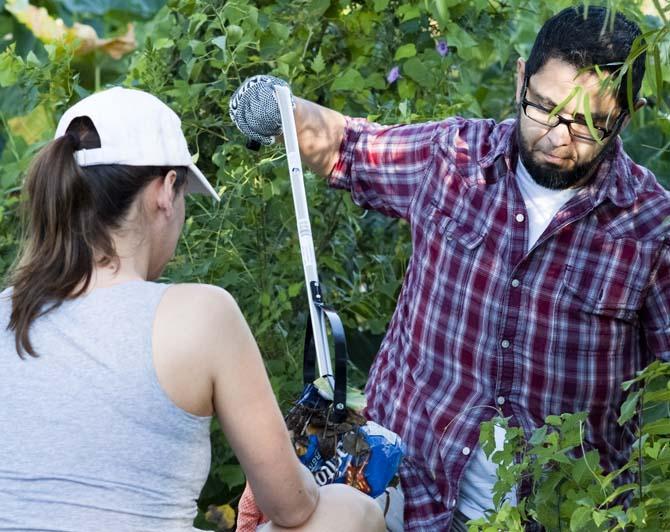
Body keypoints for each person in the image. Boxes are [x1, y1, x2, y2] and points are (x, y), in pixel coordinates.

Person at [229, 5, 670, 530]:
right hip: (403, 496)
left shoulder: (652, 230)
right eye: (544, 108)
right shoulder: (452, 159)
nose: (557, 136)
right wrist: (279, 106)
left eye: (588, 123)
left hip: (554, 515)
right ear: (519, 79)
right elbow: (348, 147)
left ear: (628, 115)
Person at [0, 87, 385, 532]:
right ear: (165, 191)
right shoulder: (201, 314)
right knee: (349, 511)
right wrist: (314, 480)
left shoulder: (9, 310)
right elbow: (292, 507)